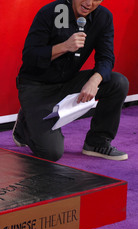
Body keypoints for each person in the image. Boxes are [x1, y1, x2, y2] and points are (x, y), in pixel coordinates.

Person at [14, 0, 129, 162]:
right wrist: (64, 46)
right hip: (37, 88)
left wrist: (95, 80)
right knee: (51, 153)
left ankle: (97, 142)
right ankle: (25, 123)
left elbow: (106, 57)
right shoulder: (50, 12)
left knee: (118, 82)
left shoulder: (103, 17)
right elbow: (30, 57)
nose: (89, 3)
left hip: (67, 83)